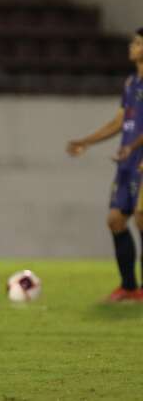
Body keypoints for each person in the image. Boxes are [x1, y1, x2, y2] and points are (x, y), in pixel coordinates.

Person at [67, 28, 143, 302]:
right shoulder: (131, 83)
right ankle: (130, 287)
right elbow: (119, 121)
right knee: (115, 220)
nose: (132, 46)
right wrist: (87, 141)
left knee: (142, 218)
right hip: (128, 161)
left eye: (137, 43)